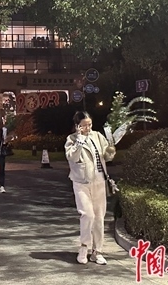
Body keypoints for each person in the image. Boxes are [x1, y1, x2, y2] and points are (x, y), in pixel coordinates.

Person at [64, 111, 116, 265]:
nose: (88, 128)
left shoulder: (97, 136)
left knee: (99, 216)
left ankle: (97, 251)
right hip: (81, 182)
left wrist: (111, 147)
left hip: (99, 181)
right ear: (77, 126)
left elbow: (108, 156)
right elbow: (72, 157)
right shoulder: (72, 139)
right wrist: (79, 141)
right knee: (87, 214)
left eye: (90, 124)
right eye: (84, 125)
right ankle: (84, 247)